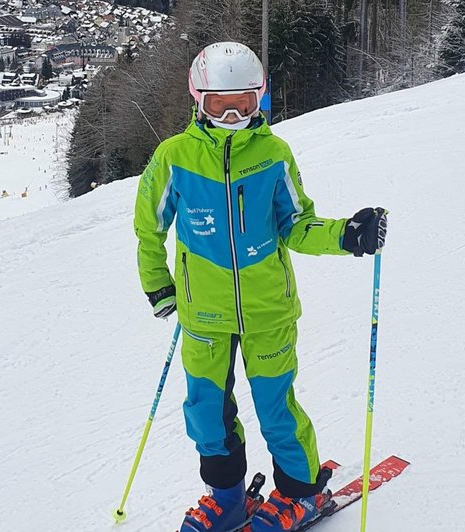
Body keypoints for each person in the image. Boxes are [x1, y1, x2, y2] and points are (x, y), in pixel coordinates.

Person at [133, 42, 387, 532]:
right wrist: (159, 287)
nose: (232, 114)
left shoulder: (274, 154)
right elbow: (149, 227)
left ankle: (299, 493)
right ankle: (226, 498)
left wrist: (346, 235)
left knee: (276, 408)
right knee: (207, 413)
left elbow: (297, 224)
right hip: (203, 313)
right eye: (219, 104)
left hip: (268, 309)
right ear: (197, 99)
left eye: (245, 103)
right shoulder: (174, 158)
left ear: (260, 98)